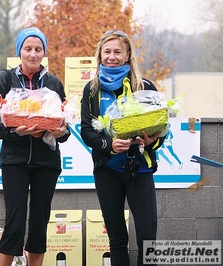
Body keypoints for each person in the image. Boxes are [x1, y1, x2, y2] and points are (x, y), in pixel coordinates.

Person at [0, 27, 70, 266]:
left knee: (40, 221)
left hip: (46, 162)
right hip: (15, 161)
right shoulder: (5, 80)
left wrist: (62, 132)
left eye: (38, 49)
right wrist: (15, 132)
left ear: (44, 52)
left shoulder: (54, 84)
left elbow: (63, 128)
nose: (33, 54)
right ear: (19, 51)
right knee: (15, 220)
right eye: (28, 48)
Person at [80, 30, 165, 266]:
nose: (112, 56)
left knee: (148, 240)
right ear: (100, 55)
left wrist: (151, 142)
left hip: (141, 169)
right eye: (107, 52)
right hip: (107, 170)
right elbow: (87, 130)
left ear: (127, 55)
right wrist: (109, 145)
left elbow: (161, 130)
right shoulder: (92, 89)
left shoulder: (144, 86)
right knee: (117, 240)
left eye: (118, 51)